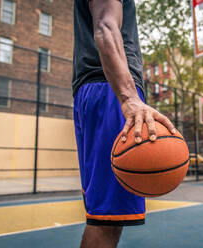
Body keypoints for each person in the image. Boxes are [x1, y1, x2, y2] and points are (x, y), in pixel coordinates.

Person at [72, 0, 176, 247]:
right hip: (110, 91)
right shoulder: (116, 93)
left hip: (102, 91)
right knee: (106, 221)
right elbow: (106, 27)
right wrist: (129, 97)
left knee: (102, 216)